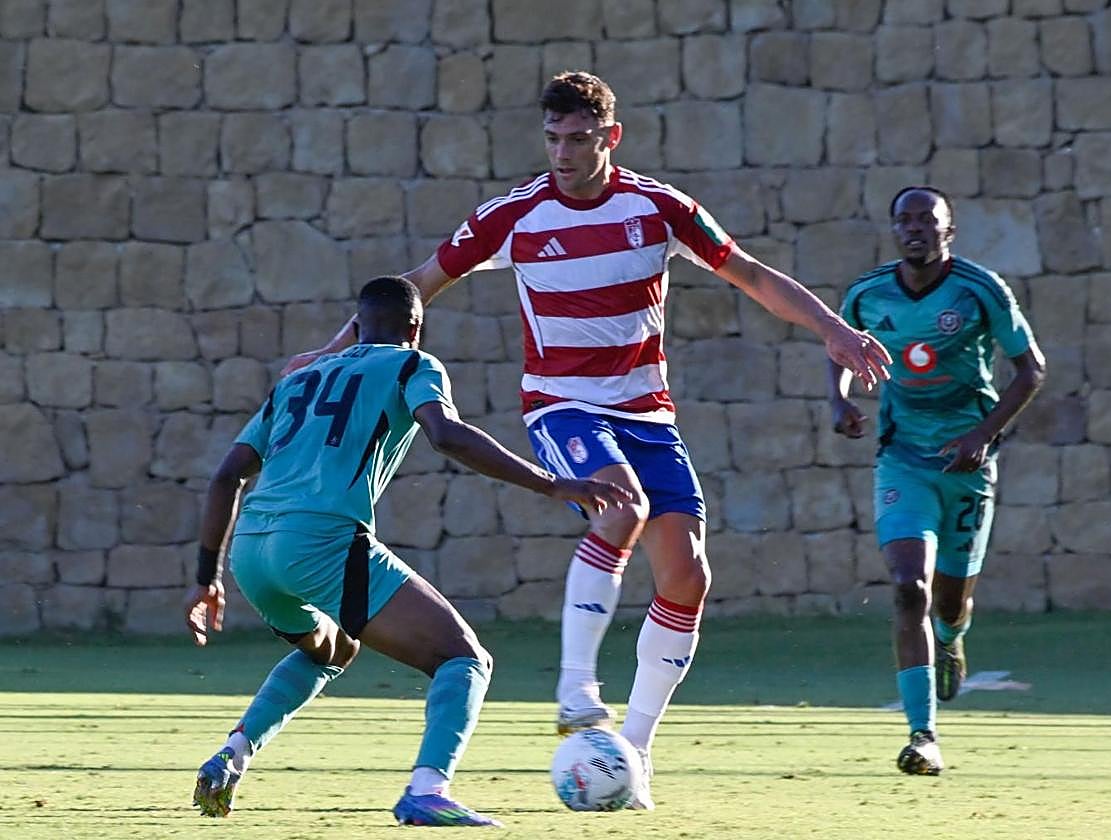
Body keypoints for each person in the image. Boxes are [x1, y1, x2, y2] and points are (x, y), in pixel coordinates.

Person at [284, 71, 891, 809]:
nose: (563, 154)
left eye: (578, 139)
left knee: (688, 573)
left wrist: (834, 329)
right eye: (553, 139)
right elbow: (414, 287)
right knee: (620, 506)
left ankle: (631, 752)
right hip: (562, 406)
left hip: (647, 414)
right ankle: (576, 690)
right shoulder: (514, 216)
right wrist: (333, 349)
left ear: (611, 137)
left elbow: (753, 276)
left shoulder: (659, 208)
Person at [183, 277, 631, 826]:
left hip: (251, 552)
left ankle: (233, 754)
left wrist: (207, 577)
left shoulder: (298, 380)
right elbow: (446, 435)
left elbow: (228, 474)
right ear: (416, 327)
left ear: (357, 324)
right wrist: (552, 483)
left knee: (332, 650)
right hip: (322, 541)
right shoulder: (412, 366)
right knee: (464, 659)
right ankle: (427, 790)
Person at [827, 186, 1046, 776]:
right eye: (906, 220)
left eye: (928, 219)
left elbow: (1031, 370)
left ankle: (952, 634)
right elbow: (840, 346)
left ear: (949, 231)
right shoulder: (868, 294)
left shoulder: (980, 290)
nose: (916, 228)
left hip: (967, 467)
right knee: (907, 588)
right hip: (904, 460)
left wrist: (983, 435)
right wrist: (840, 398)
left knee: (949, 601)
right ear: (895, 230)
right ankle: (923, 735)